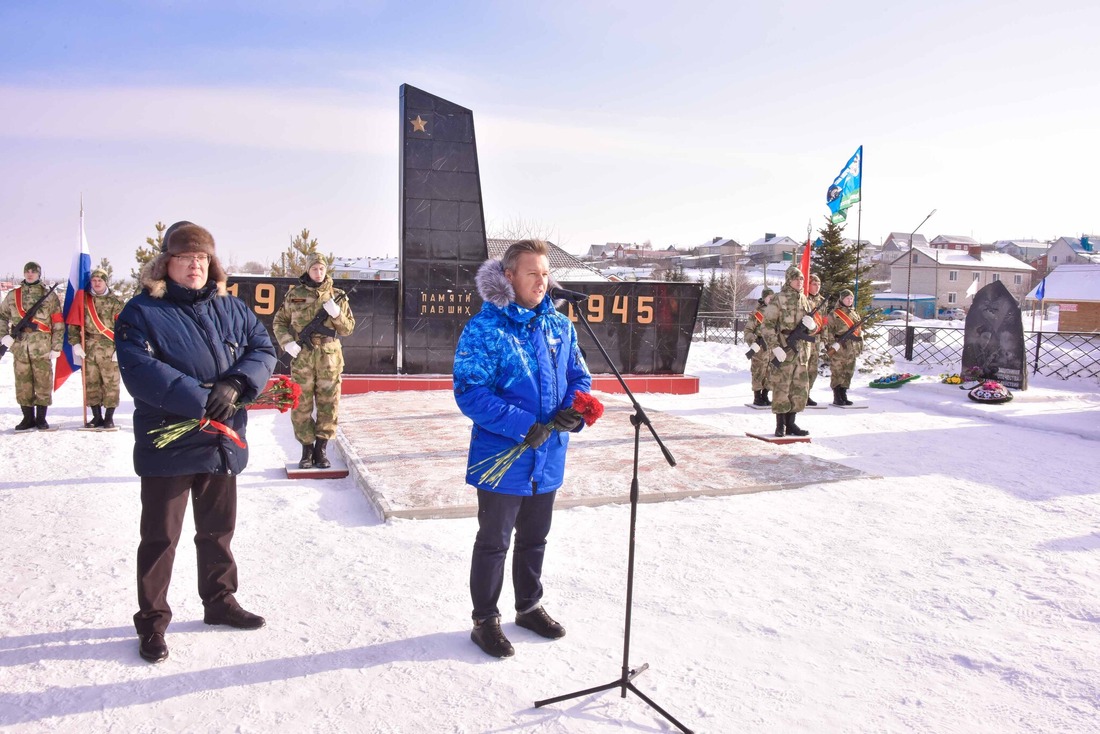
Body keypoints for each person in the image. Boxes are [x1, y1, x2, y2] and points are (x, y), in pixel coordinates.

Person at [115, 221, 276, 664]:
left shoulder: (232, 308)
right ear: (166, 263)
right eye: (186, 258)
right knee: (160, 539)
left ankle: (219, 602)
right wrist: (207, 398)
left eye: (203, 258)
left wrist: (238, 382)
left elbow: (263, 348)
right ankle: (152, 622)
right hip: (169, 444)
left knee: (218, 531)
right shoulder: (141, 311)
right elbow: (141, 371)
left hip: (221, 441)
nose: (195, 266)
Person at [453, 239, 592, 658]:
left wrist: (573, 411)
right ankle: (485, 620)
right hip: (502, 458)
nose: (542, 281)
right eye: (533, 273)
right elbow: (469, 391)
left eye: (546, 274)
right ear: (509, 276)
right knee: (494, 541)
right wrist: (522, 426)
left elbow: (579, 377)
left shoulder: (560, 325)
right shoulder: (486, 328)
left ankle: (528, 606)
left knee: (535, 538)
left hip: (547, 455)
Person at [272, 252, 355, 469]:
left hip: (329, 359)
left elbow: (348, 329)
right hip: (303, 358)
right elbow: (279, 322)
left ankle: (322, 451)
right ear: (308, 270)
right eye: (314, 268)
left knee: (329, 404)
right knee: (300, 405)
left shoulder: (337, 295)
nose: (318, 273)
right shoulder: (294, 295)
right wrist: (287, 342)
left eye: (321, 268)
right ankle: (306, 451)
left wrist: (336, 314)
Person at [0, 262, 64, 430]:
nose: (30, 274)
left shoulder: (49, 296)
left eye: (33, 272)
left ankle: (41, 418)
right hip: (20, 346)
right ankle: (27, 418)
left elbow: (58, 322)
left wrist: (56, 347)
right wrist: (4, 337)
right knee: (23, 383)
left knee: (43, 381)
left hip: (42, 346)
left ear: (39, 274)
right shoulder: (13, 295)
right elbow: (2, 316)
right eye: (27, 271)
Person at [763, 266, 818, 438]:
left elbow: (813, 328)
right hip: (784, 348)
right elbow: (767, 326)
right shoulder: (778, 299)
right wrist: (775, 347)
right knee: (782, 386)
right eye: (796, 279)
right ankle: (780, 425)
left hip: (802, 351)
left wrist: (812, 327)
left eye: (801, 279)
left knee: (799, 387)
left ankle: (791, 423)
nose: (799, 282)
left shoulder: (806, 300)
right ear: (788, 280)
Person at [69, 268, 126, 429]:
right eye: (94, 280)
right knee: (91, 383)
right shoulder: (83, 300)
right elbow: (74, 325)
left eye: (100, 280)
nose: (96, 283)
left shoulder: (116, 302)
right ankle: (96, 417)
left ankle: (109, 417)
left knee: (111, 383)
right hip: (88, 348)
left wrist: (119, 348)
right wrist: (76, 343)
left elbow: (124, 327)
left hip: (109, 347)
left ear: (106, 281)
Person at [826, 289, 862, 406]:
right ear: (842, 299)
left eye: (851, 298)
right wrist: (833, 344)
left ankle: (844, 394)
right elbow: (828, 330)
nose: (849, 300)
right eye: (847, 298)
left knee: (848, 371)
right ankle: (837, 396)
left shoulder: (854, 312)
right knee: (837, 371)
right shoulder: (834, 314)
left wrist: (859, 345)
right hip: (839, 347)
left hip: (851, 347)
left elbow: (858, 331)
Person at [744, 287, 774, 406]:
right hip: (760, 348)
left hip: (771, 347)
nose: (771, 300)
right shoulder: (757, 314)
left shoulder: (776, 313)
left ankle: (765, 395)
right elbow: (748, 331)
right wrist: (753, 342)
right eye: (769, 298)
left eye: (773, 298)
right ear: (764, 298)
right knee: (758, 372)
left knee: (770, 372)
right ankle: (757, 397)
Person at [804, 274, 827, 406]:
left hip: (816, 338)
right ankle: (799, 394)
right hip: (805, 338)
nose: (817, 287)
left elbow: (824, 320)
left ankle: (807, 394)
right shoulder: (804, 299)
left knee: (812, 369)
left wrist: (824, 338)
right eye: (814, 284)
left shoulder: (822, 300)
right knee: (803, 368)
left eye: (819, 285)